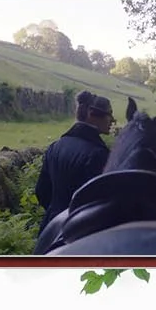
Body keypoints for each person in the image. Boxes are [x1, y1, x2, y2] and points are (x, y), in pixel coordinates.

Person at [35, 92, 113, 231]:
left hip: (50, 228)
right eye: (109, 114)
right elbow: (99, 202)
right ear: (91, 114)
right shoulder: (98, 154)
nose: (112, 120)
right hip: (79, 232)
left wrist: (56, 213)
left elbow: (42, 190)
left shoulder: (56, 146)